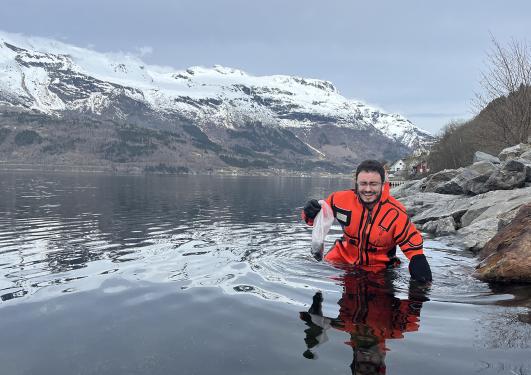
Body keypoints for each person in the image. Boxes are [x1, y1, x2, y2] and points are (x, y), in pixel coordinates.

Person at [302, 159, 432, 282]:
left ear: (382, 185)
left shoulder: (396, 214)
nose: (368, 189)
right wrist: (310, 212)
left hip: (379, 273)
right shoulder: (339, 200)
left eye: (373, 184)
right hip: (339, 264)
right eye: (363, 184)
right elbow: (315, 220)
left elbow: (415, 253)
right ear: (356, 184)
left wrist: (421, 290)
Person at [299, 270, 429, 374]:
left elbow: (319, 320)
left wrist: (312, 322)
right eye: (371, 365)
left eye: (362, 364)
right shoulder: (396, 328)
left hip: (352, 269)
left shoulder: (343, 325)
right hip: (385, 271)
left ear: (355, 360)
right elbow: (417, 299)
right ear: (381, 360)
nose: (366, 357)